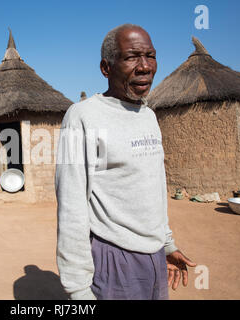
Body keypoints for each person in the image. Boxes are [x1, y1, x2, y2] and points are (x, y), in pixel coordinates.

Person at [55, 24, 196, 300]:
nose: (145, 66)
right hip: (114, 259)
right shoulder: (82, 117)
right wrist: (78, 289)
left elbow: (152, 187)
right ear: (106, 68)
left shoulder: (148, 116)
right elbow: (71, 204)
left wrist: (165, 244)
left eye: (151, 56)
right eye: (132, 57)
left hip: (155, 257)